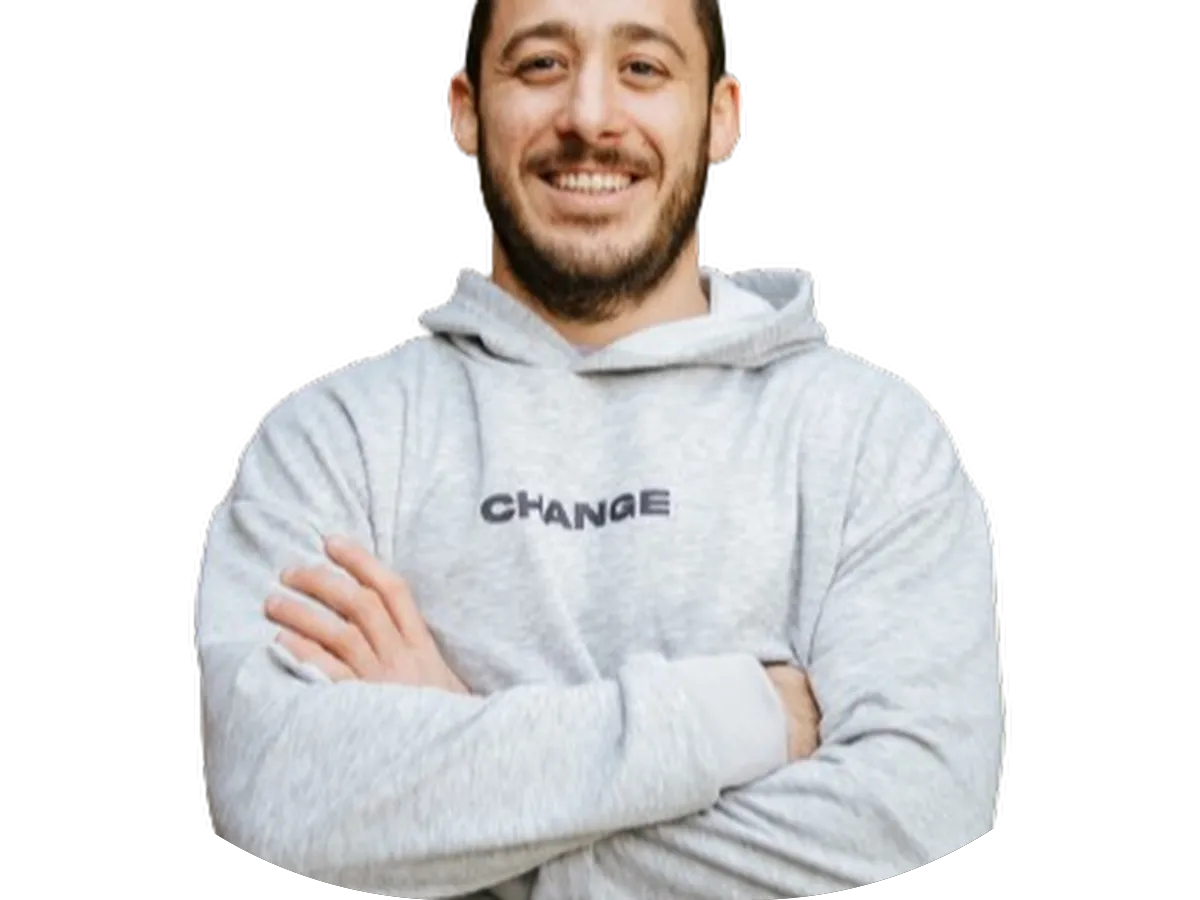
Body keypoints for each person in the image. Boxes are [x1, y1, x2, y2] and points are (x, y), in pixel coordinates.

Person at [195, 0, 1004, 896]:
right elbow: (272, 794)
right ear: (466, 109)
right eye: (541, 64)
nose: (589, 116)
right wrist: (735, 717)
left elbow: (919, 818)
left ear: (721, 117)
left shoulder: (872, 440)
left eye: (643, 68)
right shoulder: (331, 442)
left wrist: (460, 819)